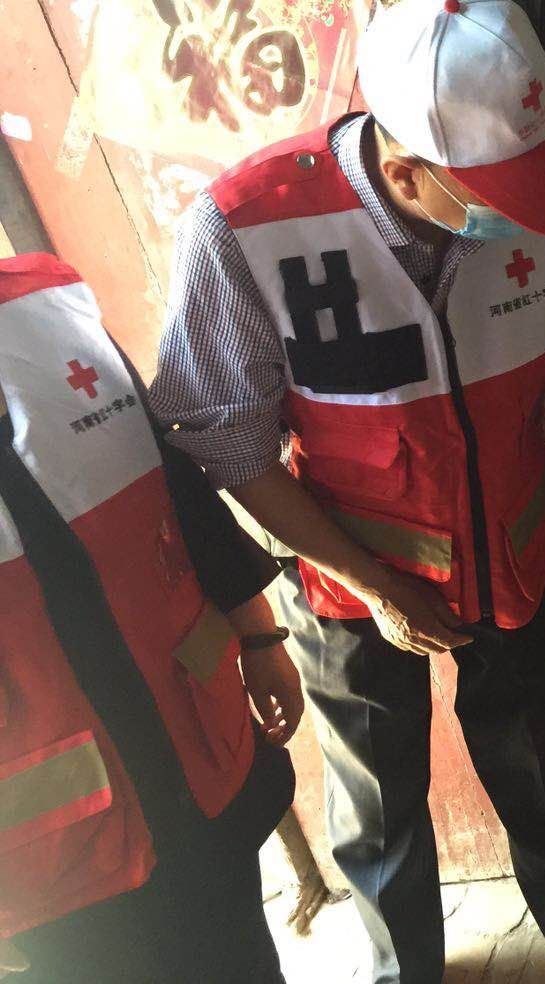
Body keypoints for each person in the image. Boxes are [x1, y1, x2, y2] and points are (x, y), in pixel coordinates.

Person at [150, 0, 545, 983]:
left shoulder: (541, 208)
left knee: (539, 765)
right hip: (343, 575)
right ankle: (402, 971)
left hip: (507, 551)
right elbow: (224, 446)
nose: (532, 218)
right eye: (505, 196)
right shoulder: (248, 229)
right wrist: (373, 584)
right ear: (405, 170)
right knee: (379, 801)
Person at [0, 253, 302, 982]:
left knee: (239, 954)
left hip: (187, 748)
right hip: (49, 860)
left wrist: (260, 633)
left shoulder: (47, 305)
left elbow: (175, 487)